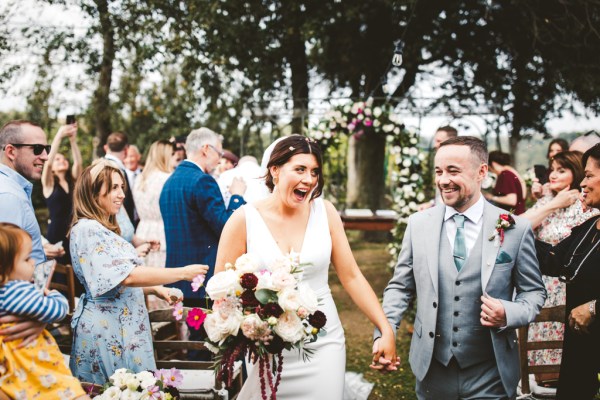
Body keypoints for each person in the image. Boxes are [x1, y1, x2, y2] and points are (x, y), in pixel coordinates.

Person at [215, 135, 398, 399]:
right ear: (274, 170)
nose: (309, 179)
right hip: (268, 346)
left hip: (324, 340)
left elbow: (352, 276)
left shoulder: (326, 213)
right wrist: (250, 326)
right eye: (300, 169)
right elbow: (222, 292)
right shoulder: (243, 220)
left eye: (314, 171)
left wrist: (385, 328)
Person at [376, 136, 545, 399]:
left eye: (453, 171)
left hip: (491, 372)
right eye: (439, 171)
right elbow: (400, 287)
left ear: (482, 172)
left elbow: (534, 293)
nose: (443, 180)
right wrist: (385, 332)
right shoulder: (418, 224)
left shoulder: (515, 228)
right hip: (433, 370)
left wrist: (508, 312)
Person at [69, 159, 208, 384]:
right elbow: (127, 276)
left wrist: (156, 289)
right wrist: (182, 273)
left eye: (121, 187)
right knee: (116, 391)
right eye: (114, 187)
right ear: (94, 193)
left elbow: (119, 279)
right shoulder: (87, 230)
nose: (122, 194)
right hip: (108, 330)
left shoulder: (102, 229)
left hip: (126, 327)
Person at [523, 151, 599, 383]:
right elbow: (555, 259)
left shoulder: (583, 214)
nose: (583, 183)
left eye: (588, 175)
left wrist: (595, 308)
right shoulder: (589, 226)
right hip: (580, 348)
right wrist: (512, 235)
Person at [0, 223, 90, 400]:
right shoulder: (17, 290)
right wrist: (56, 297)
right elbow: (54, 311)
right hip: (30, 359)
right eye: (26, 259)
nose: (33, 262)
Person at [160, 127, 246, 305]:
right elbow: (226, 227)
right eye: (219, 153)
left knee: (190, 331)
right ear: (206, 149)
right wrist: (237, 197)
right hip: (202, 278)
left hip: (177, 278)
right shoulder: (202, 181)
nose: (219, 159)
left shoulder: (169, 182)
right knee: (203, 332)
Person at [133, 140, 179, 309]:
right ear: (165, 156)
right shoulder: (168, 179)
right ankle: (167, 322)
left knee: (145, 282)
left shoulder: (140, 178)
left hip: (143, 232)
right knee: (162, 282)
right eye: (173, 154)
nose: (175, 158)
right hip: (162, 234)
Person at [0, 120, 49, 264]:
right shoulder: (9, 196)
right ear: (11, 152)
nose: (45, 156)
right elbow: (6, 267)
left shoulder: (13, 190)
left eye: (47, 149)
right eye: (38, 148)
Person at [41, 122, 82, 264]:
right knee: (58, 274)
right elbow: (48, 163)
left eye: (64, 159)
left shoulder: (74, 182)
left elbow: (78, 163)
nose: (62, 160)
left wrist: (72, 141)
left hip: (74, 232)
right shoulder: (49, 184)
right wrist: (59, 135)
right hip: (56, 233)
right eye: (58, 159)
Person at [418, 126, 458, 210]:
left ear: (451, 141)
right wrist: (431, 204)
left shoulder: (459, 164)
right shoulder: (440, 160)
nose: (435, 145)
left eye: (439, 141)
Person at [104, 131, 136, 225]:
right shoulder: (115, 170)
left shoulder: (99, 165)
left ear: (107, 147)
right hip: (116, 224)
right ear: (126, 149)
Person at [484, 150, 527, 214]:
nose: (490, 170)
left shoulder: (505, 175)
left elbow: (512, 200)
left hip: (512, 216)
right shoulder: (510, 173)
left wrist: (492, 197)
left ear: (493, 164)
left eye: (489, 167)